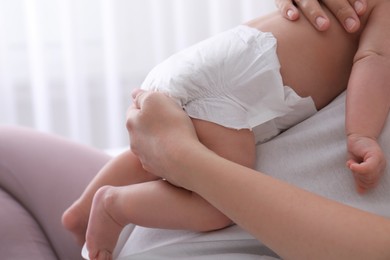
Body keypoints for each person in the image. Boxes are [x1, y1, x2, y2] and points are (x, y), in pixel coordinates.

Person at [0, 1, 372, 260]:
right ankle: (114, 205)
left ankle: (79, 213)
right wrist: (362, 134)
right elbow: (374, 62)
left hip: (203, 65)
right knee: (217, 205)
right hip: (235, 87)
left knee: (152, 155)